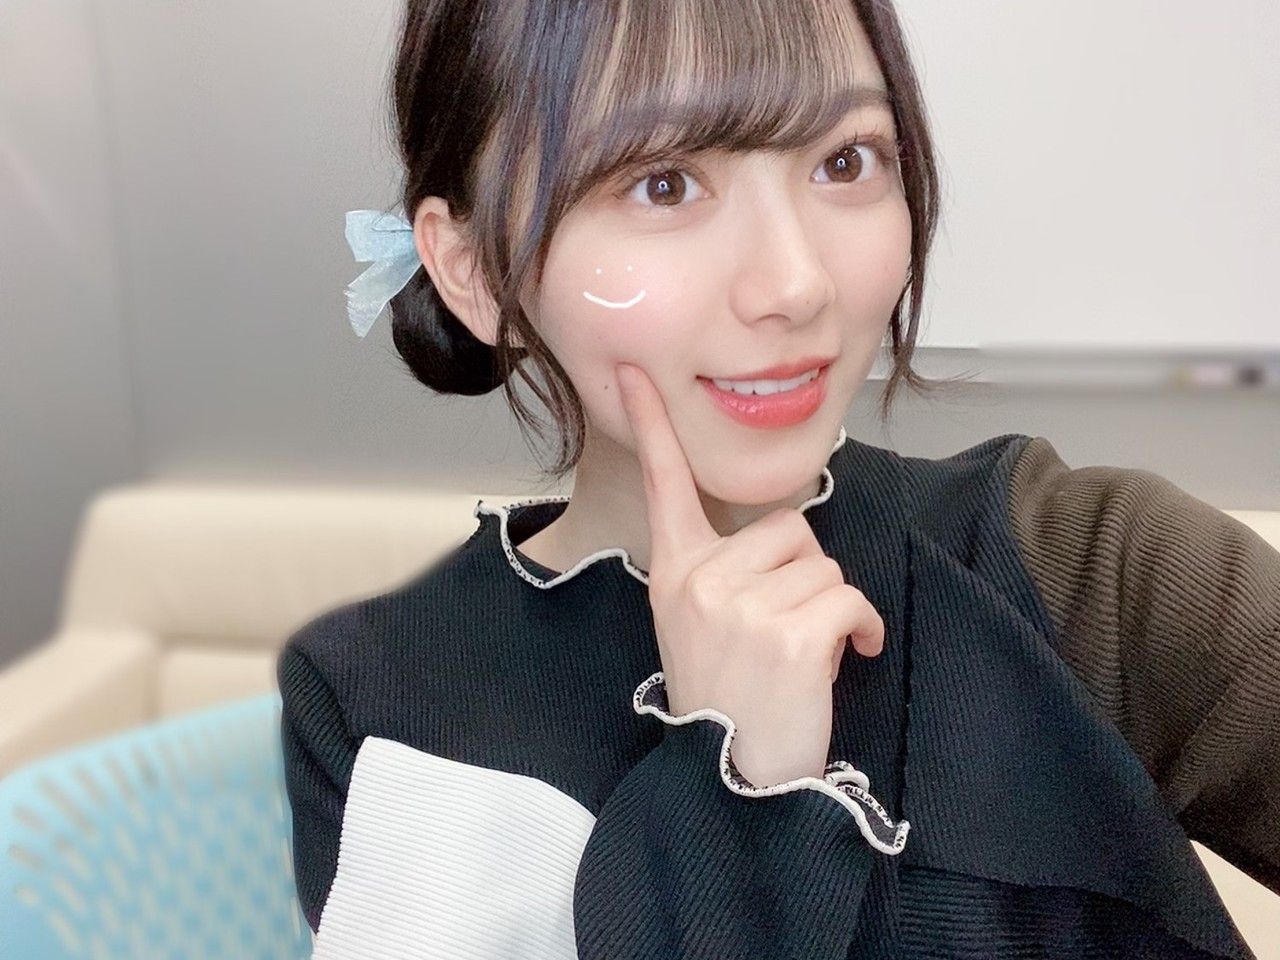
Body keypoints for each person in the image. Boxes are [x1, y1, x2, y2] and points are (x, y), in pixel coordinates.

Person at [277, 1, 1280, 957]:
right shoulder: (373, 696)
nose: (796, 283)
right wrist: (733, 790)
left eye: (845, 161)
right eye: (662, 183)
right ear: (474, 271)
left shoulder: (1093, 568)